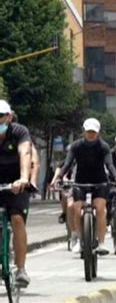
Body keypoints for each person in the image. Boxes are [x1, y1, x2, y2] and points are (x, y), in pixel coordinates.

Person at [57, 118, 116, 255]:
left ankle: (101, 243)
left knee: (100, 209)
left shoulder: (103, 147)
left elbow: (109, 165)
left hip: (100, 182)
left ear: (98, 133)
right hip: (80, 181)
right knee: (76, 207)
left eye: (94, 132)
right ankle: (80, 240)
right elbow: (67, 163)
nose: (91, 134)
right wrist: (59, 177)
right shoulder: (76, 146)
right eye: (88, 131)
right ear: (83, 132)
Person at [0, 100, 33, 287]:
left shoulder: (20, 132)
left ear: (9, 117)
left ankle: (21, 269)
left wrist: (23, 178)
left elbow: (26, 153)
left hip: (16, 184)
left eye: (1, 117)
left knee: (17, 219)